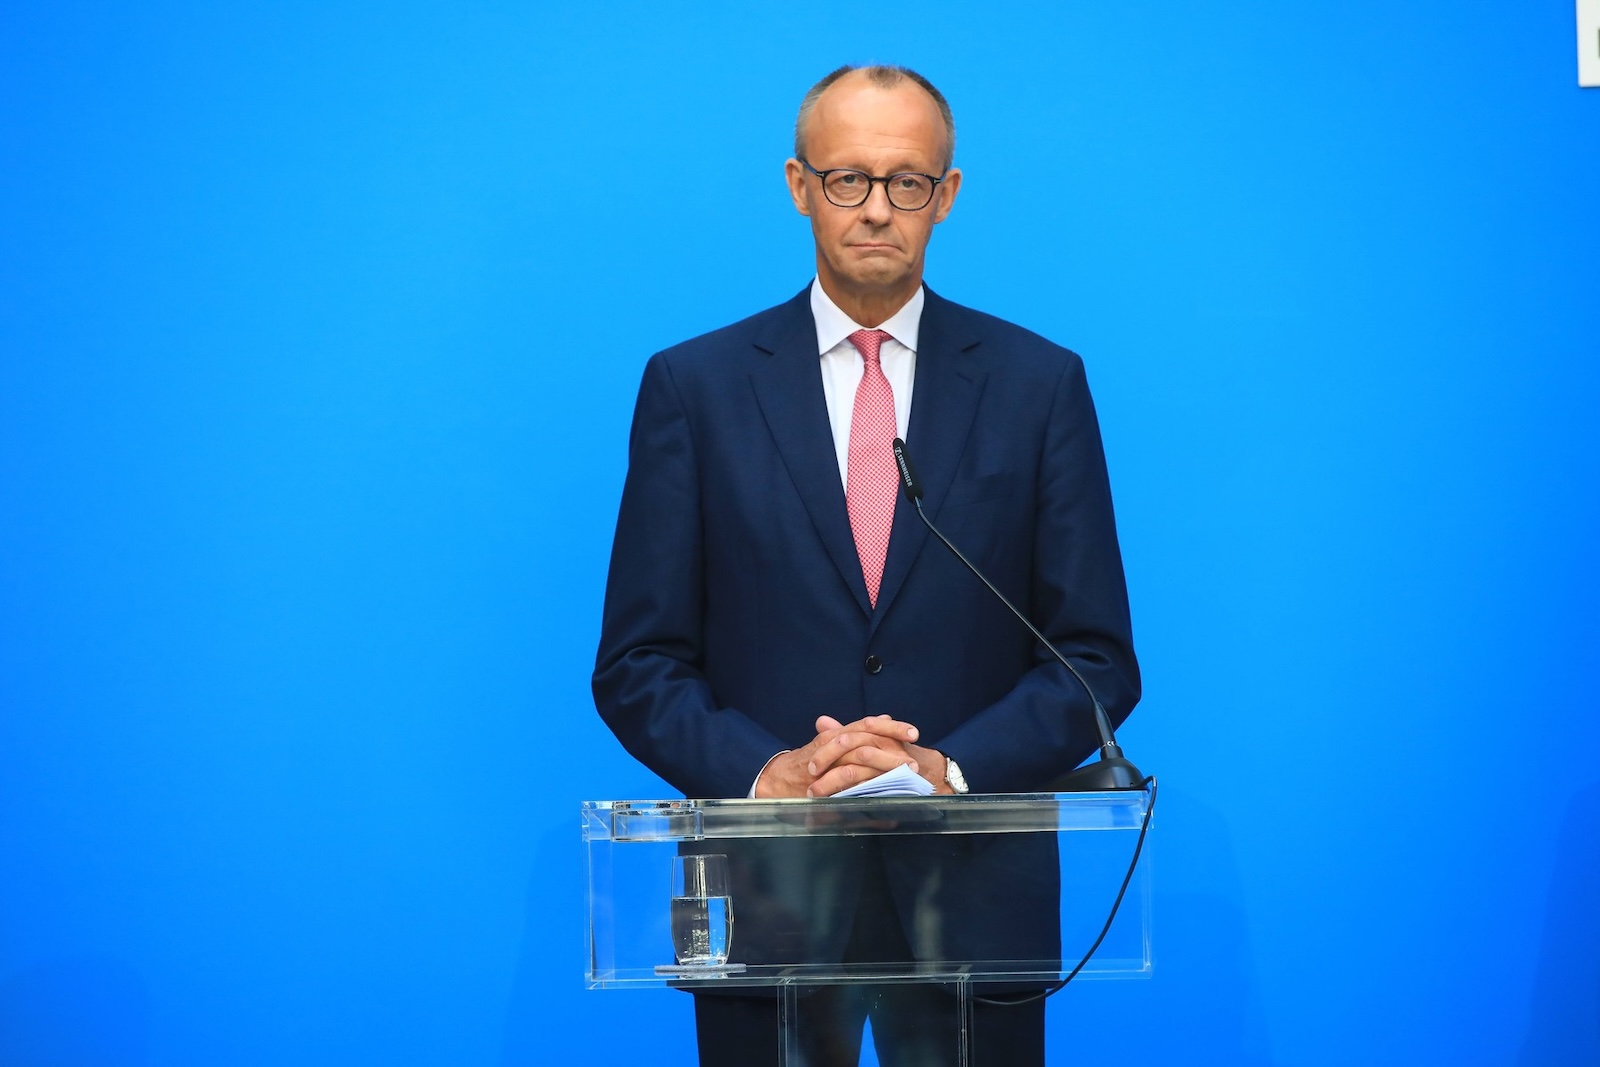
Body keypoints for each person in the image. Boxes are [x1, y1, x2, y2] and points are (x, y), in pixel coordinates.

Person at [593, 64, 1139, 1067]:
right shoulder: (695, 387)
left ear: (948, 194)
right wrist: (766, 771)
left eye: (906, 181)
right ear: (799, 185)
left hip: (972, 900)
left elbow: (1093, 658)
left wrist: (950, 766)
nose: (877, 209)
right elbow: (639, 662)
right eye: (848, 179)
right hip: (770, 896)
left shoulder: (1038, 384)